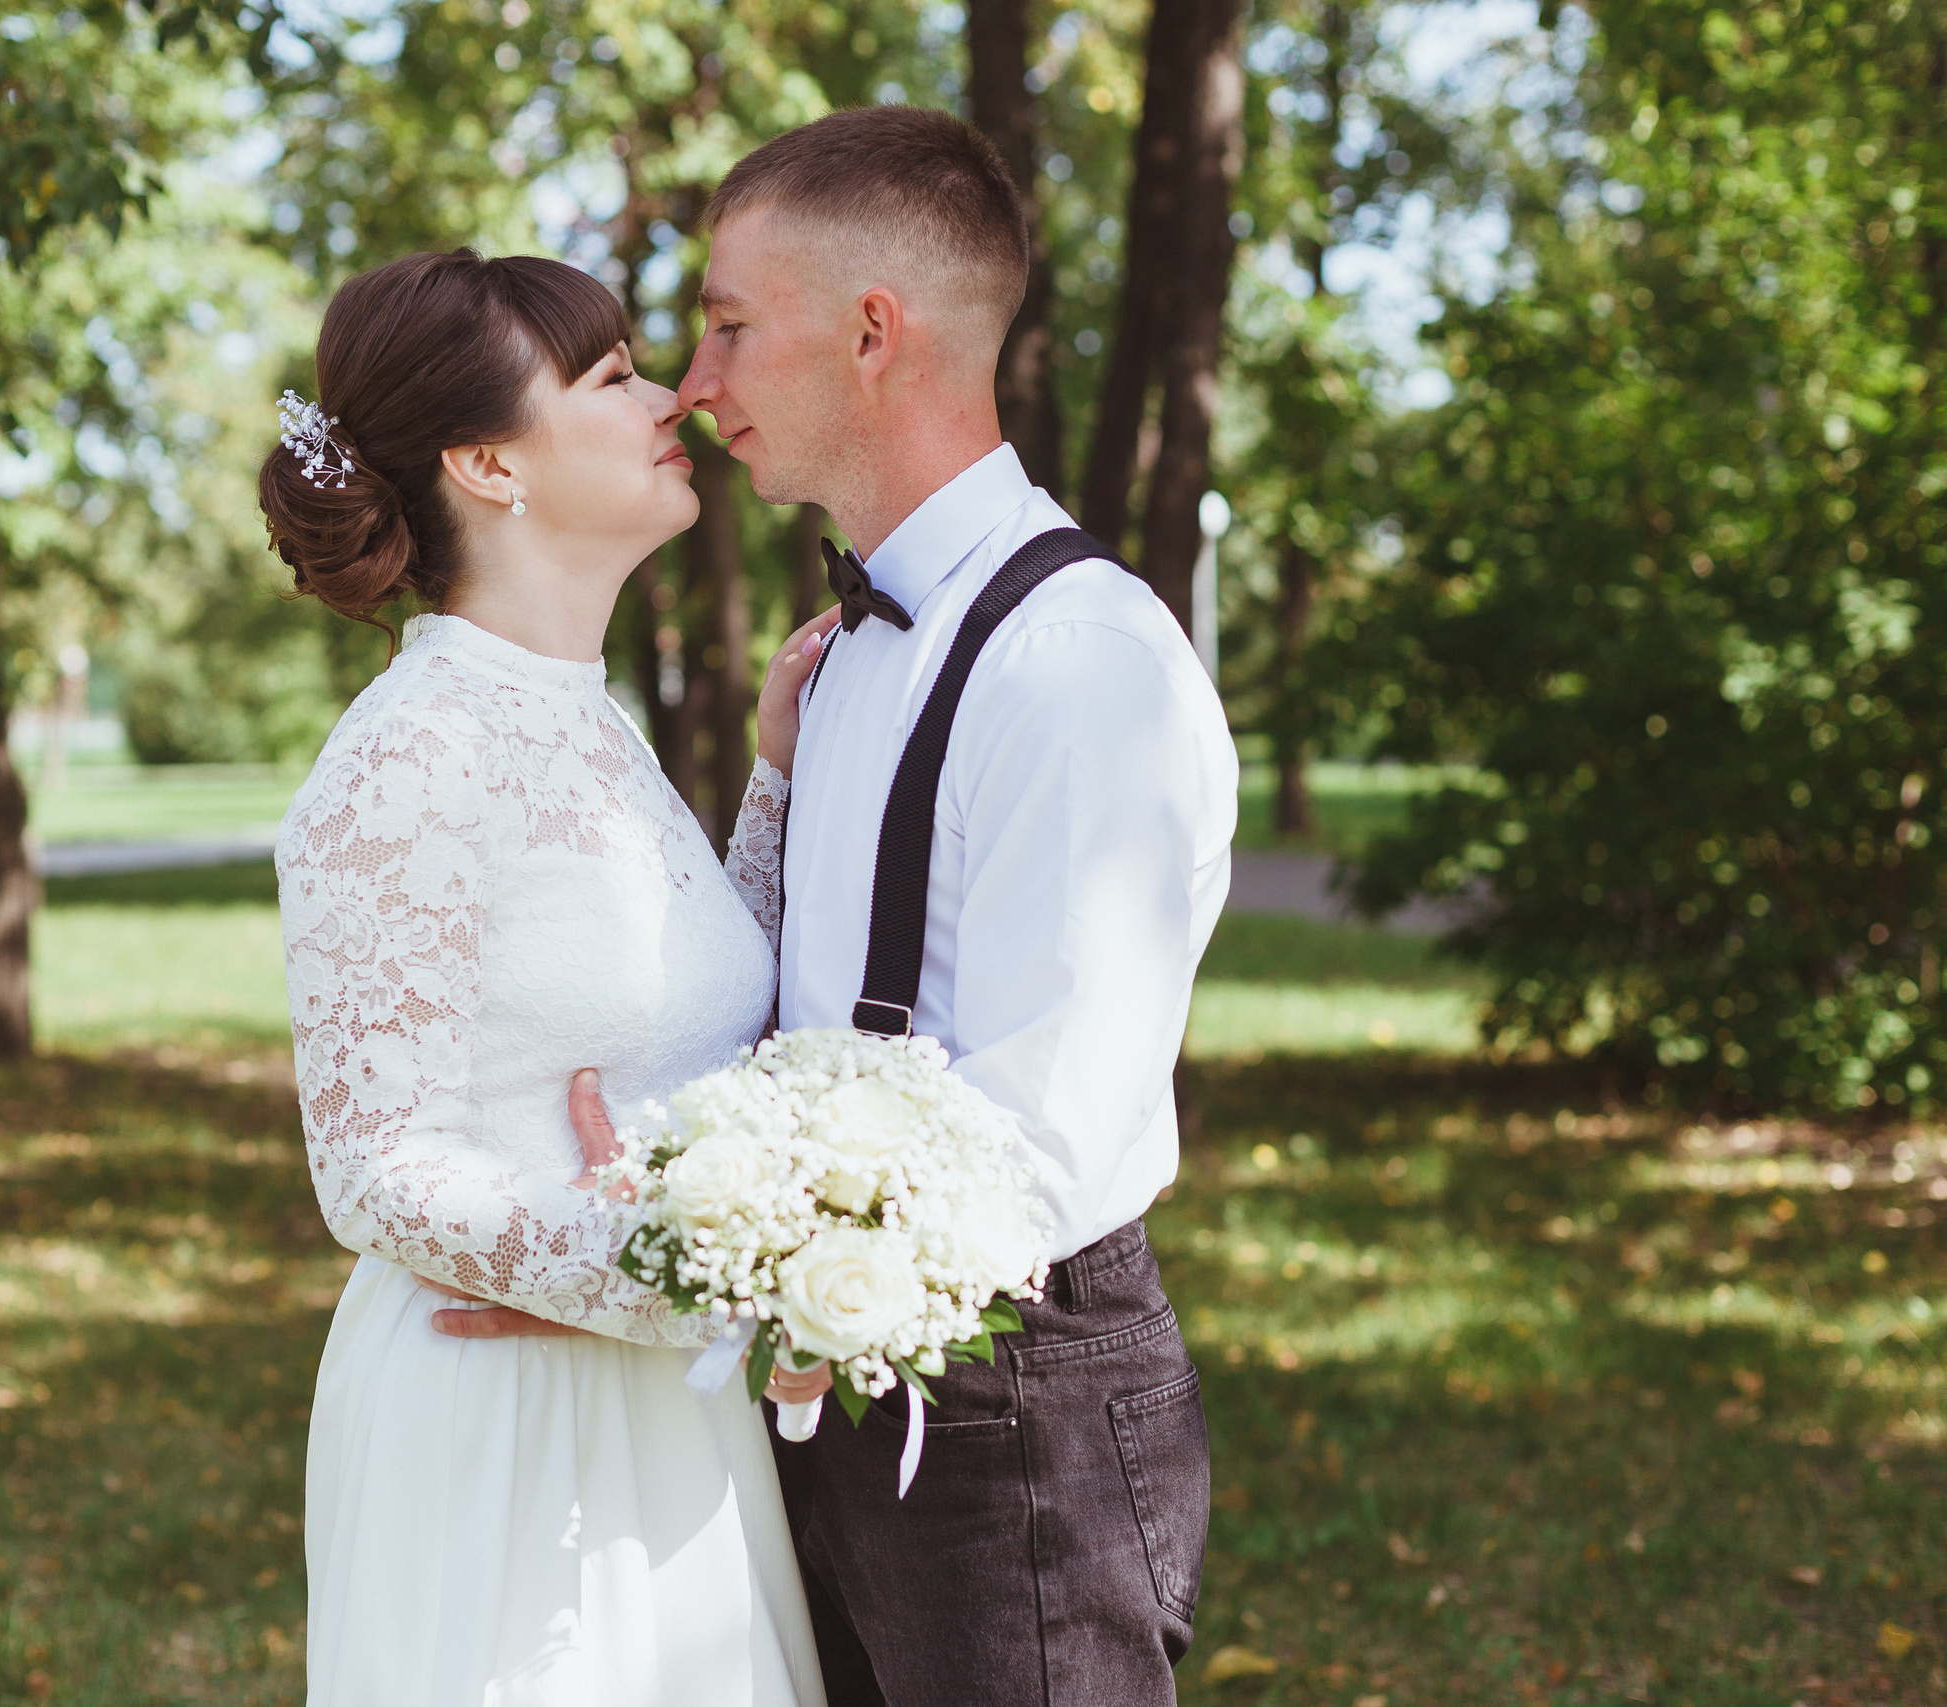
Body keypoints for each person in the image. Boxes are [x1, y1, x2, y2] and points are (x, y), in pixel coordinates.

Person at [443, 106, 1240, 1704]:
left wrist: (735, 1288)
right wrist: (642, 1263)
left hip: (1018, 1403)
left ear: (875, 332)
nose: (694, 383)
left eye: (730, 324)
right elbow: (808, 1021)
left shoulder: (1081, 660)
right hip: (826, 1387)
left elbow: (1053, 1120)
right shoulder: (846, 659)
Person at [263, 249, 837, 1707]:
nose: (675, 398)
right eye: (611, 377)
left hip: (663, 1404)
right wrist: (672, 1280)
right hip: (510, 1419)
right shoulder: (409, 759)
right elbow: (373, 1166)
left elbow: (690, 999)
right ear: (488, 462)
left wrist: (770, 785)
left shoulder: (586, 722)